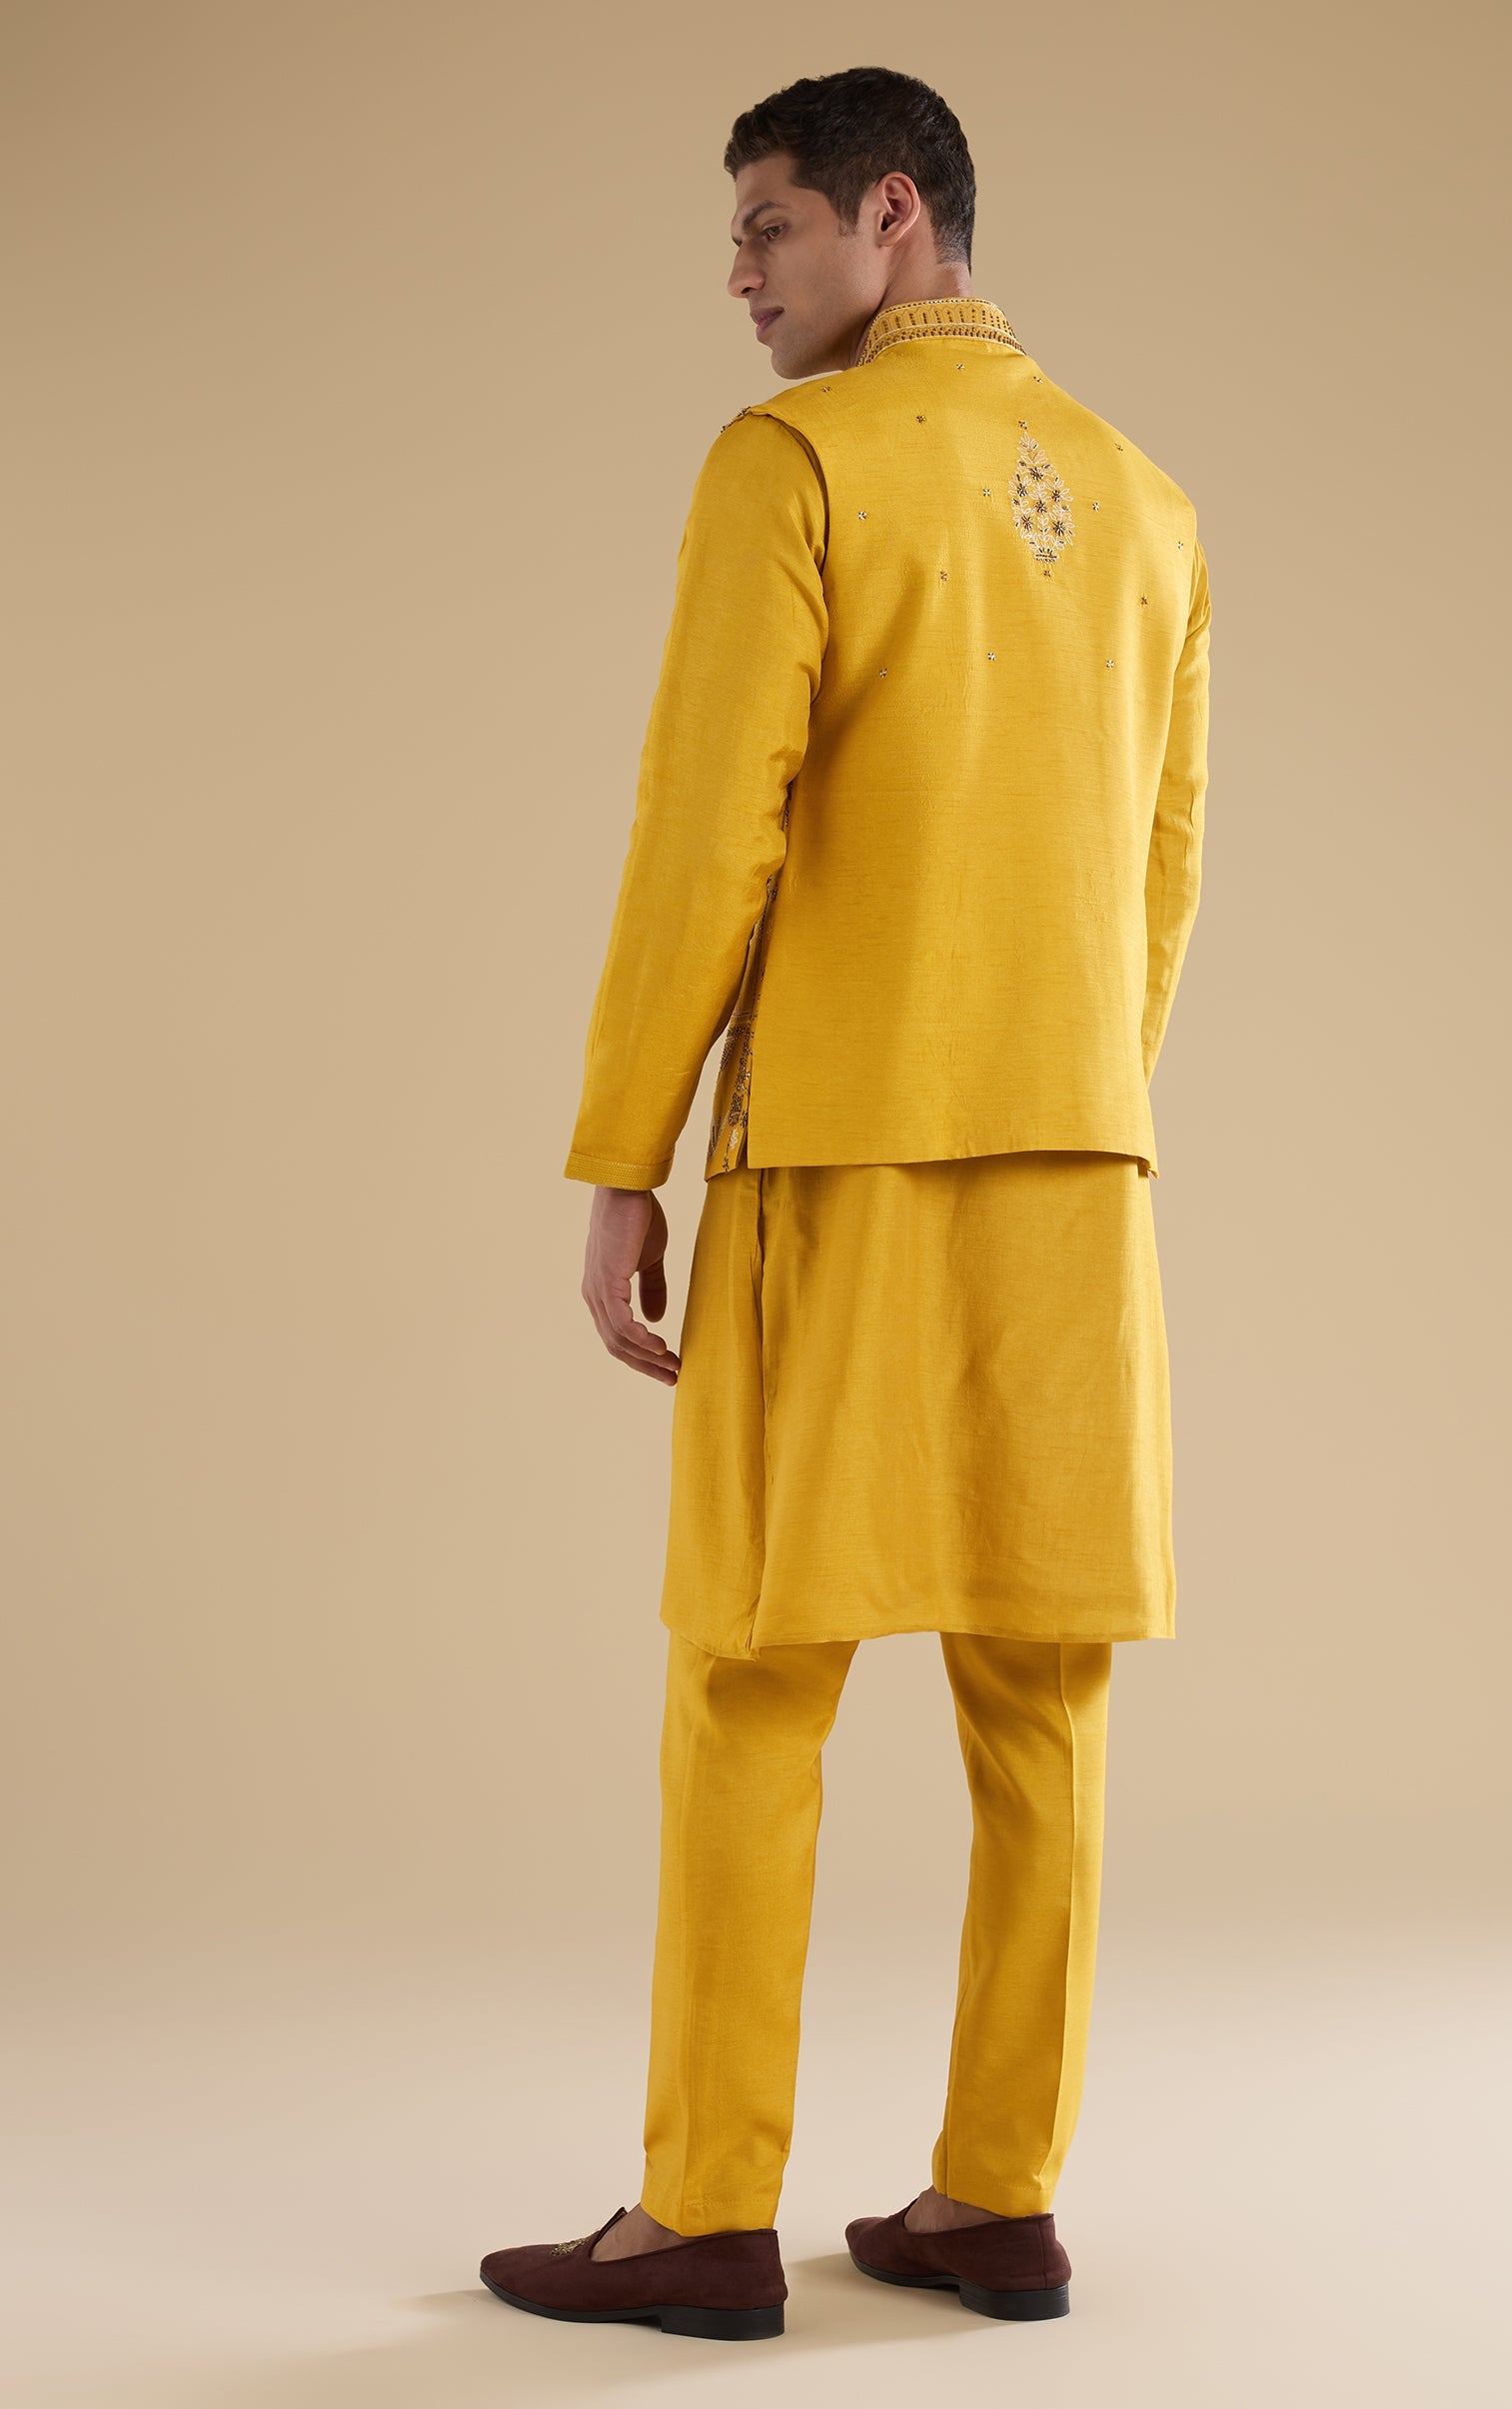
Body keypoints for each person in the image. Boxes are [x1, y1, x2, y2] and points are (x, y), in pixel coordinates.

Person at [480, 64, 1211, 2344]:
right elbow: (1164, 870)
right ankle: (1000, 2197)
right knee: (1044, 1702)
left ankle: (705, 2210)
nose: (737, 274)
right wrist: (1076, 1095)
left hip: (838, 1152)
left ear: (895, 214)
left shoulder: (789, 465)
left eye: (768, 226)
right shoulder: (1151, 501)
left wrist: (623, 1149)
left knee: (752, 1676)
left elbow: (707, 822)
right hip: (1078, 1175)